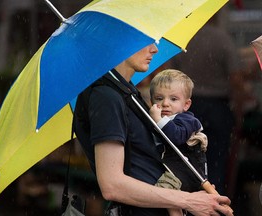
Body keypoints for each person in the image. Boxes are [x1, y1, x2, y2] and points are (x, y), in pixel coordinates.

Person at [74, 43, 233, 216]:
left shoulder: (126, 91)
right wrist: (187, 200)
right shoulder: (107, 97)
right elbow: (112, 185)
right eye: (145, 42)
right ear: (124, 42)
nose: (155, 49)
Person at [167, 13, 244, 195]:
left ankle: (192, 202)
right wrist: (239, 109)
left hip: (187, 107)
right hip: (218, 106)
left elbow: (170, 74)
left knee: (188, 160)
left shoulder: (185, 39)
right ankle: (216, 201)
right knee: (217, 160)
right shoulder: (222, 38)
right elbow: (236, 78)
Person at [149, 69, 208, 216]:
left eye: (173, 99)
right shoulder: (160, 120)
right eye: (159, 98)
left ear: (186, 104)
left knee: (166, 190)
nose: (165, 104)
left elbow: (176, 137)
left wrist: (158, 120)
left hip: (189, 172)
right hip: (172, 171)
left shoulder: (188, 120)